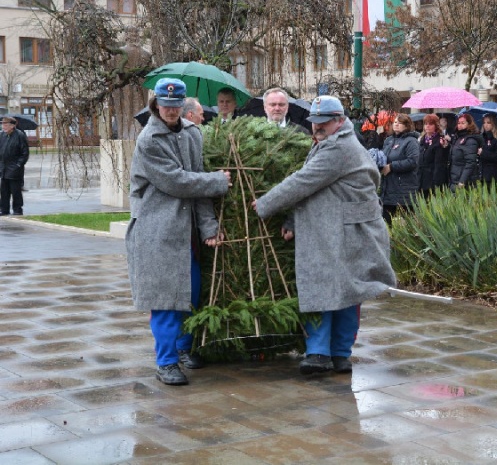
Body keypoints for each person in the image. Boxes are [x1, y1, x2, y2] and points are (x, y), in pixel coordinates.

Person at [252, 95, 395, 375]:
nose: (317, 126)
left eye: (324, 122)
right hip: (341, 230)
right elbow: (317, 189)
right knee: (344, 291)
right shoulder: (331, 142)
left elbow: (303, 182)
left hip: (344, 233)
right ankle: (337, 354)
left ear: (339, 121)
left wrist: (265, 204)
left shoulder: (338, 148)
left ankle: (322, 354)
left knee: (329, 289)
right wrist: (293, 220)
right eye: (315, 121)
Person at [126, 78, 232, 386]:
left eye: (176, 105)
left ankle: (185, 348)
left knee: (191, 294)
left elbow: (196, 183)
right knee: (166, 301)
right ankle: (166, 362)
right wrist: (217, 181)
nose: (171, 111)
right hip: (157, 231)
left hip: (187, 232)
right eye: (165, 105)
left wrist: (209, 226)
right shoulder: (148, 140)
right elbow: (177, 182)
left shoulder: (192, 133)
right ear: (156, 105)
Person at [380, 113, 419, 222]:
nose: (396, 124)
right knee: (386, 223)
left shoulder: (411, 141)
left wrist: (391, 166)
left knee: (406, 224)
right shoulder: (388, 140)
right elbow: (383, 157)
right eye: (395, 122)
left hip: (403, 191)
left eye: (400, 123)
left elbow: (413, 161)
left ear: (407, 126)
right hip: (387, 189)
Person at [0, 116, 29, 216]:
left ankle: (17, 209)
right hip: (4, 167)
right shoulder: (2, 135)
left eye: (5, 124)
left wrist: (18, 165)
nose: (3, 126)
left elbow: (25, 153)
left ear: (12, 126)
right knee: (4, 190)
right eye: (2, 124)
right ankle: (4, 209)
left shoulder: (20, 135)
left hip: (15, 168)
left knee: (15, 190)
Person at [448, 113, 483, 191]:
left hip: (465, 181)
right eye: (459, 123)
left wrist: (462, 180)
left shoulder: (471, 140)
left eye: (463, 123)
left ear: (469, 124)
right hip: (454, 177)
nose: (460, 125)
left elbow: (470, 162)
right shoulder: (457, 138)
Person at [418, 113, 449, 197]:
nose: (427, 126)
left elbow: (439, 164)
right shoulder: (422, 140)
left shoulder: (439, 140)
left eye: (430, 124)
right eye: (426, 124)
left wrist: (435, 183)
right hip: (421, 179)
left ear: (436, 126)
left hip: (432, 181)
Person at [479, 114, 497, 187]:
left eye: (488, 123)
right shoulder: (481, 137)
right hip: (480, 173)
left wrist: (483, 153)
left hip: (491, 174)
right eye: (484, 123)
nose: (485, 125)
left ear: (494, 124)